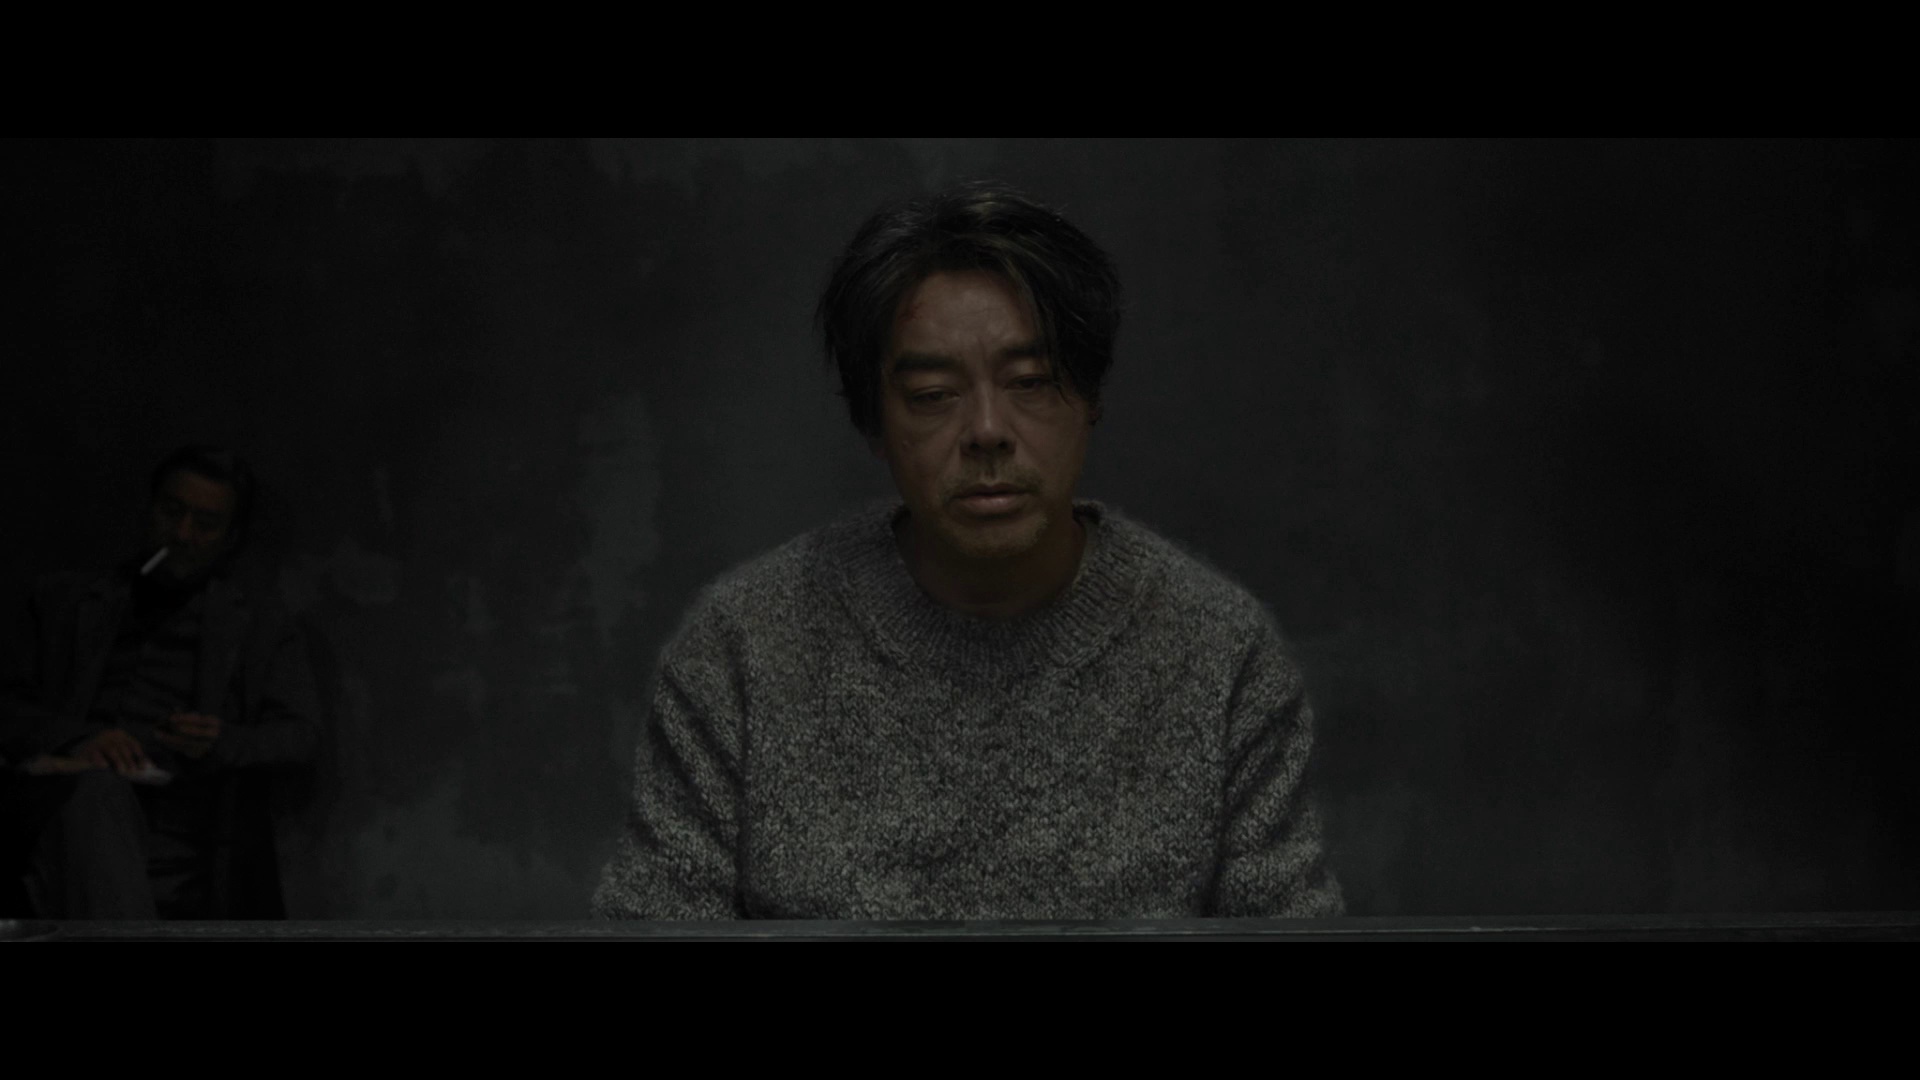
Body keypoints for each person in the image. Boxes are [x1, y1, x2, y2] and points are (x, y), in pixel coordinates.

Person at [593, 182, 1342, 920]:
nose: (987, 431)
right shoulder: (742, 650)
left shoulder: (1220, 656)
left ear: (1090, 400)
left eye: (1031, 382)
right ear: (873, 422)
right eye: (932, 394)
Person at [0, 446, 321, 918]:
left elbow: (300, 736)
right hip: (61, 824)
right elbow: (7, 705)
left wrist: (220, 741)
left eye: (205, 524)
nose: (183, 534)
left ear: (230, 538)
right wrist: (80, 739)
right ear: (150, 508)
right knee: (96, 794)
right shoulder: (64, 603)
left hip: (181, 844)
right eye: (172, 512)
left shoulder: (258, 626)